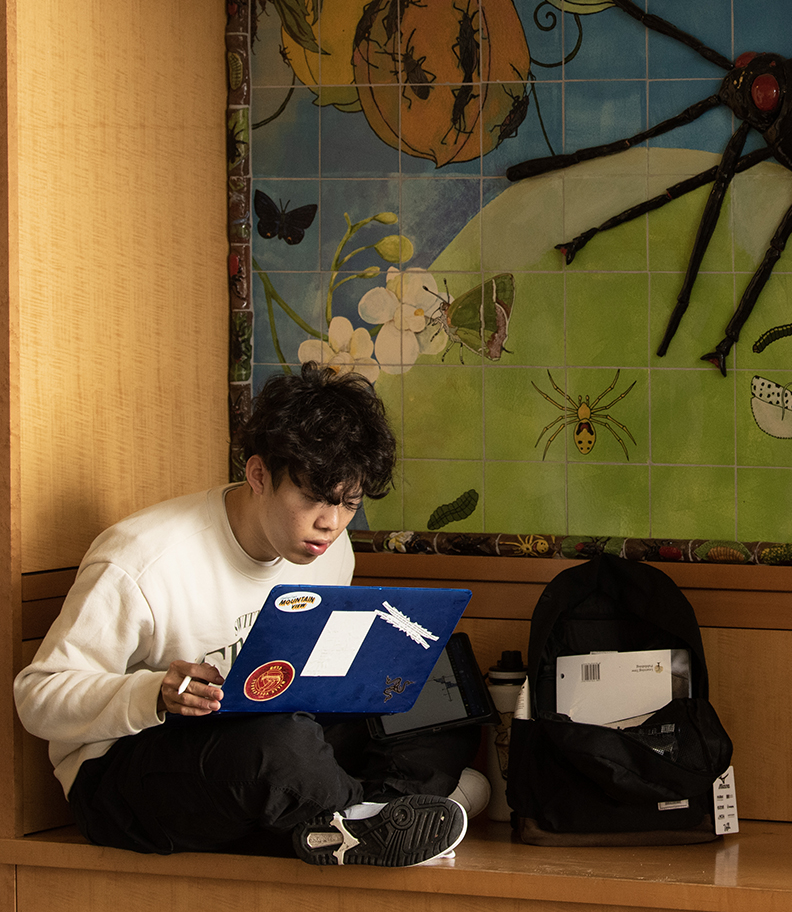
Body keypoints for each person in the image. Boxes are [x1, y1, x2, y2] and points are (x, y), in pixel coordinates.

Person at [13, 364, 481, 866]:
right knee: (282, 747)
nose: (330, 524)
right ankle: (375, 815)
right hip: (126, 772)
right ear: (258, 474)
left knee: (438, 678)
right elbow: (37, 697)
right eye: (313, 498)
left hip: (278, 735)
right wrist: (153, 693)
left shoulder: (332, 549)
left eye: (348, 503)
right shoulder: (140, 559)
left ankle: (361, 817)